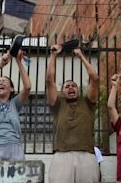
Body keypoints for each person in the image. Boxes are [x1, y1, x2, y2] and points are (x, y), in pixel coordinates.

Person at [46, 46, 100, 183]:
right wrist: (53, 55)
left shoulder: (88, 103)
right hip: (62, 156)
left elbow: (94, 78)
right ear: (62, 92)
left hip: (87, 156)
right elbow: (49, 80)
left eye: (73, 86)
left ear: (78, 90)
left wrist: (81, 56)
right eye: (67, 86)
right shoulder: (57, 105)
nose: (71, 87)